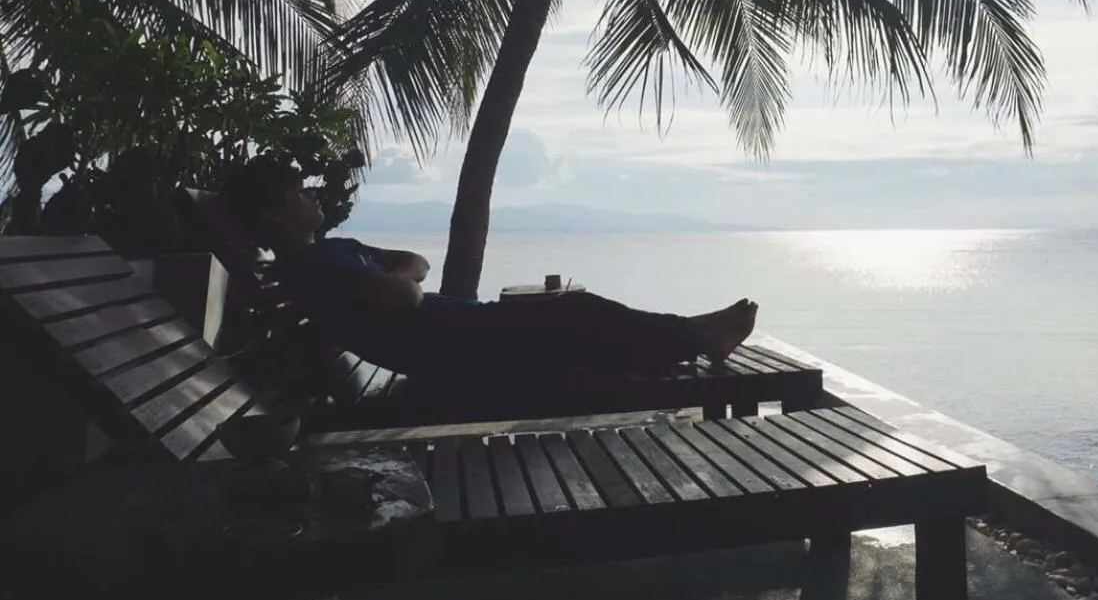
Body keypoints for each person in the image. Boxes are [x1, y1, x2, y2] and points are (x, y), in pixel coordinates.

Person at [219, 157, 757, 390]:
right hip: (456, 349)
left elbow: (414, 264)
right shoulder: (313, 268)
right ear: (271, 213)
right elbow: (406, 296)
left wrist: (400, 277)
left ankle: (690, 334)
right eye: (298, 192)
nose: (313, 194)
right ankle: (693, 336)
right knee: (579, 315)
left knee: (578, 317)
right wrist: (401, 280)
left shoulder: (334, 251)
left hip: (463, 332)